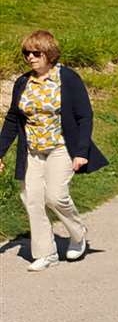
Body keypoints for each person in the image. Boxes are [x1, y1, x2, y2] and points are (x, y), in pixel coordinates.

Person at [0, 30, 108, 271]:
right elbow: (12, 120)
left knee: (56, 196)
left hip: (61, 147)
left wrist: (81, 151)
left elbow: (84, 116)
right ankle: (46, 253)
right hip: (32, 150)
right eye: (26, 53)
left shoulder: (67, 78)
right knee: (32, 198)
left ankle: (78, 232)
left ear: (49, 53)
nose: (30, 57)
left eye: (36, 53)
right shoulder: (22, 82)